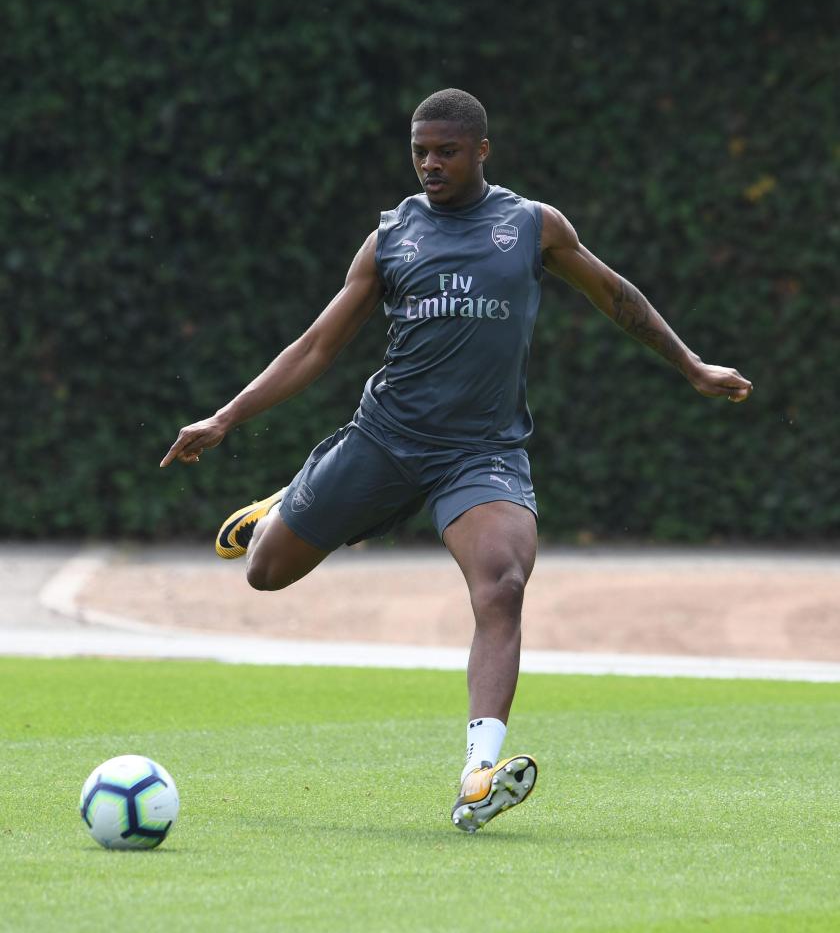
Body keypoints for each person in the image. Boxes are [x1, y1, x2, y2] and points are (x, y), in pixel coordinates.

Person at [161, 88, 753, 833]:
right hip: (383, 441)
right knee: (265, 572)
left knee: (501, 583)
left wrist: (693, 365)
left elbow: (616, 296)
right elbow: (316, 345)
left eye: (445, 150)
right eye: (419, 152)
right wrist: (226, 416)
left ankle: (478, 772)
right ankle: (286, 504)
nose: (430, 164)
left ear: (481, 151)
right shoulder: (390, 240)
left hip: (480, 454)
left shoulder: (532, 226)